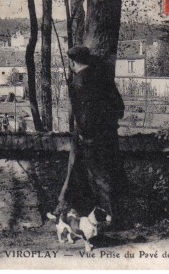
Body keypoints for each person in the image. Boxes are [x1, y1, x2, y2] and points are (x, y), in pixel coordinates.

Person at [58, 45, 125, 224]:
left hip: (90, 138)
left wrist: (85, 135)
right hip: (109, 135)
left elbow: (84, 116)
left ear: (72, 62)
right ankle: (106, 218)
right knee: (106, 176)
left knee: (97, 178)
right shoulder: (103, 77)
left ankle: (107, 221)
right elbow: (119, 107)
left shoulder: (78, 83)